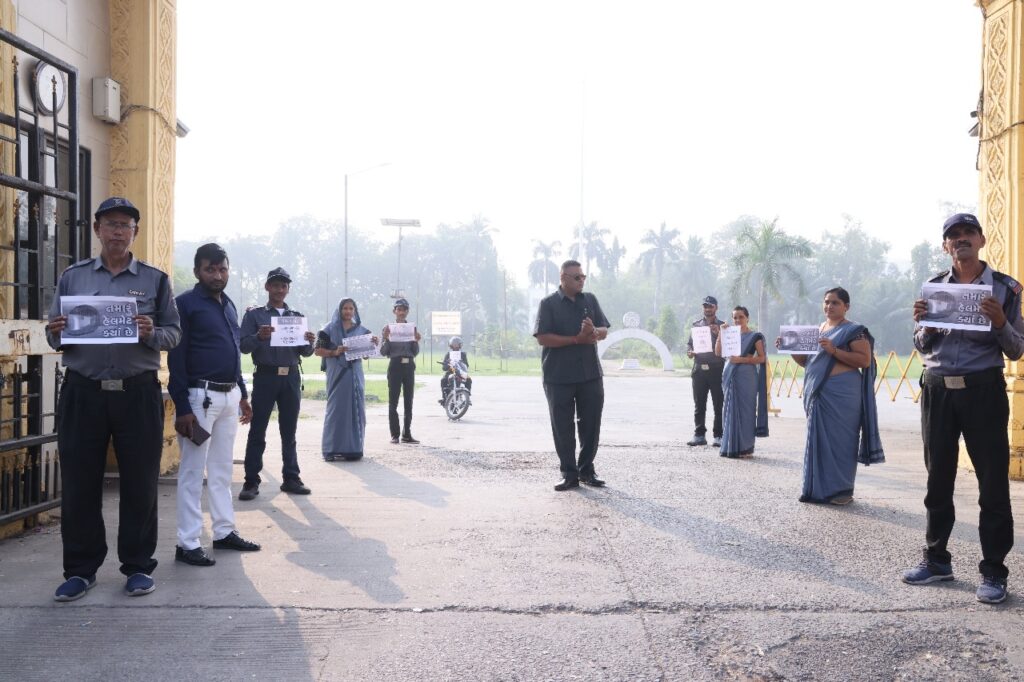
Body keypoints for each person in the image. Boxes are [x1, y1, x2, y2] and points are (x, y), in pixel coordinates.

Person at [46, 197, 181, 601]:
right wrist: (56, 330)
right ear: (97, 230)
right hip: (83, 392)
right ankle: (80, 570)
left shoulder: (155, 280)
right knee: (79, 481)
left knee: (140, 482)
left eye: (125, 225)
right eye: (110, 224)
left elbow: (174, 333)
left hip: (137, 392)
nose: (118, 232)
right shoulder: (73, 278)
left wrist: (149, 334)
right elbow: (55, 335)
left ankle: (138, 567)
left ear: (135, 232)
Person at [902, 213, 1024, 605]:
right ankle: (937, 559)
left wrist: (1002, 322)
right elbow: (920, 346)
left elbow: (1016, 349)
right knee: (938, 478)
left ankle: (993, 571)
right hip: (938, 390)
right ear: (945, 247)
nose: (961, 240)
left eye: (967, 233)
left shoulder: (1005, 288)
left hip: (982, 391)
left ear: (981, 240)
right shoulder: (935, 288)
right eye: (953, 236)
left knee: (992, 482)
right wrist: (926, 326)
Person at [168, 243, 261, 567]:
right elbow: (176, 359)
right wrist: (182, 407)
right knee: (193, 472)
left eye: (222, 269)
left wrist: (243, 394)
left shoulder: (229, 304)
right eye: (211, 269)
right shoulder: (185, 305)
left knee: (222, 471)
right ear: (197, 271)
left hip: (229, 396)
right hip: (199, 398)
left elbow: (234, 351)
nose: (217, 275)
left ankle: (223, 532)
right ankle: (188, 541)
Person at [777, 287, 884, 506]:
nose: (829, 306)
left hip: (843, 394)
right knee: (818, 441)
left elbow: (863, 360)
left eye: (835, 302)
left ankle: (841, 490)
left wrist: (834, 350)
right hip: (818, 393)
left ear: (846, 306)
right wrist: (791, 349)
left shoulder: (854, 331)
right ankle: (816, 490)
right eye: (826, 302)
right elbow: (807, 362)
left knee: (841, 441)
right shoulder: (818, 330)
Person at [238, 267, 316, 500]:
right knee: (258, 429)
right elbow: (242, 346)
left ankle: (291, 477)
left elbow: (305, 352)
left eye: (283, 286)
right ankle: (251, 481)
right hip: (265, 376)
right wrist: (258, 337)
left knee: (289, 430)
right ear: (267, 287)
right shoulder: (255, 315)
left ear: (288, 289)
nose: (279, 289)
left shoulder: (296, 317)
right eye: (275, 285)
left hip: (291, 376)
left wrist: (309, 342)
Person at [534, 260, 611, 491]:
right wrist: (576, 339)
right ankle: (569, 473)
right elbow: (542, 337)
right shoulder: (548, 304)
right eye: (576, 277)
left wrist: (594, 332)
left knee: (591, 425)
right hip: (558, 376)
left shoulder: (590, 300)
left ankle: (587, 470)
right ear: (563, 278)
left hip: (589, 374)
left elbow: (604, 330)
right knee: (562, 426)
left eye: (583, 276)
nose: (581, 280)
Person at [316, 298, 377, 461]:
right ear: (339, 310)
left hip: (355, 376)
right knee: (336, 410)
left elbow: (365, 356)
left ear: (355, 311)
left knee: (356, 410)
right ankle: (330, 449)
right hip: (337, 374)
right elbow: (318, 350)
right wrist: (335, 352)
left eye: (351, 308)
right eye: (345, 308)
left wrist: (372, 345)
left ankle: (353, 449)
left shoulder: (362, 331)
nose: (348, 312)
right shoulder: (327, 329)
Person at [715, 306, 768, 458]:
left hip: (747, 376)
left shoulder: (755, 336)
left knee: (746, 411)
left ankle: (745, 448)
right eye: (735, 318)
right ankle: (730, 445)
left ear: (747, 318)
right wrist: (721, 333)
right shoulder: (729, 334)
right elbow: (718, 352)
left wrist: (741, 360)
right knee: (728, 409)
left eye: (741, 317)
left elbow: (762, 358)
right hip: (729, 375)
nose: (738, 320)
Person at [380, 298, 422, 444]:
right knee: (393, 401)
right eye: (399, 309)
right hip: (395, 366)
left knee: (409, 401)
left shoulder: (412, 328)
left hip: (409, 366)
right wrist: (385, 338)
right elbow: (383, 352)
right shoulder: (388, 328)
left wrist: (416, 340)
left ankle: (407, 434)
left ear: (407, 311)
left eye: (404, 309)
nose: (401, 312)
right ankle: (394, 434)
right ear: (394, 311)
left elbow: (415, 352)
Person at [686, 296, 725, 447]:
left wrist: (717, 333)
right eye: (705, 306)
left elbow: (727, 347)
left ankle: (719, 435)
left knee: (718, 404)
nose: (707, 309)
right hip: (699, 370)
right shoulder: (696, 325)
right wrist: (689, 352)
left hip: (717, 369)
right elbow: (690, 344)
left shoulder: (723, 326)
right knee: (699, 404)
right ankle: (699, 434)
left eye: (710, 306)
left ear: (716, 308)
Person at [439, 336, 473, 404]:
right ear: (451, 346)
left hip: (460, 372)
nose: (455, 347)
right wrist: (448, 363)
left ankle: (468, 398)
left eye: (457, 345)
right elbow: (444, 368)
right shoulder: (448, 354)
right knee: (443, 380)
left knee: (469, 380)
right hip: (450, 372)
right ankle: (444, 397)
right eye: (454, 345)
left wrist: (462, 362)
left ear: (460, 346)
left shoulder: (463, 354)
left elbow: (467, 365)